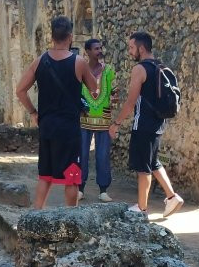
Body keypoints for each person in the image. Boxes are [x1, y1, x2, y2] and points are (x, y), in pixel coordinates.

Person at [15, 16, 99, 209]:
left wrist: (33, 112)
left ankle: (37, 214)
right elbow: (94, 89)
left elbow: (20, 90)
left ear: (51, 37)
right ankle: (71, 217)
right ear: (70, 37)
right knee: (71, 176)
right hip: (69, 128)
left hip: (47, 125)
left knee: (46, 173)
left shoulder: (39, 62)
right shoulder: (78, 62)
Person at [109, 31, 184, 217]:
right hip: (158, 123)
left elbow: (131, 101)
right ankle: (172, 197)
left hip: (143, 125)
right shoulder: (160, 66)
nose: (129, 51)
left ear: (141, 48)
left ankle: (141, 209)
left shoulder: (140, 69)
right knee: (152, 161)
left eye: (131, 47)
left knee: (143, 168)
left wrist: (116, 123)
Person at [78, 38, 117, 203]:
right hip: (83, 119)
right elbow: (75, 91)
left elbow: (114, 92)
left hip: (103, 119)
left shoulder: (108, 70)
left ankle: (103, 190)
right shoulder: (80, 69)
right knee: (82, 154)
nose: (100, 51)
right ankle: (80, 188)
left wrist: (114, 98)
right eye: (96, 49)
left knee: (102, 155)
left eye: (100, 48)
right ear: (87, 51)